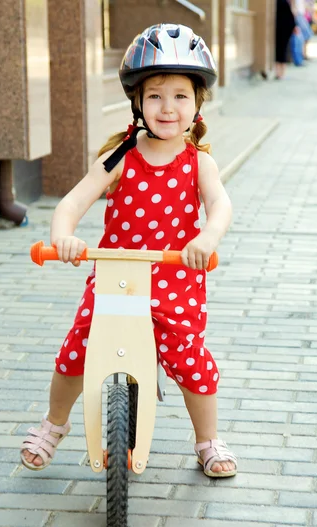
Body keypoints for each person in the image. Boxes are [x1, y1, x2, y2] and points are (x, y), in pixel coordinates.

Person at [21, 23, 237, 478]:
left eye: (180, 95)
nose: (167, 107)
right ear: (136, 101)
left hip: (175, 280)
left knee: (191, 361)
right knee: (76, 351)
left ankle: (208, 440)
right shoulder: (120, 157)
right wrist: (65, 235)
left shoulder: (199, 161)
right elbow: (73, 201)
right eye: (155, 95)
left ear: (199, 102)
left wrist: (206, 238)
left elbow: (219, 205)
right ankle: (53, 424)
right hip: (116, 279)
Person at [275, 0, 297, 78]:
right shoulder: (284, 3)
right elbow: (291, 17)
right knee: (282, 50)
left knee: (279, 51)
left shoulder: (278, 2)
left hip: (279, 29)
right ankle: (280, 73)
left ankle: (279, 72)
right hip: (284, 30)